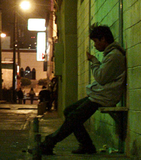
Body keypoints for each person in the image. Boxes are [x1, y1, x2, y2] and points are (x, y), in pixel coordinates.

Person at [38, 24, 126, 155]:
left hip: (104, 97)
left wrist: (94, 61)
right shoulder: (111, 54)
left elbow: (101, 77)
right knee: (69, 111)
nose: (95, 45)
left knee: (73, 117)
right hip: (100, 95)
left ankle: (49, 143)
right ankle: (86, 145)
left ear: (103, 39)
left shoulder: (113, 55)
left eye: (96, 41)